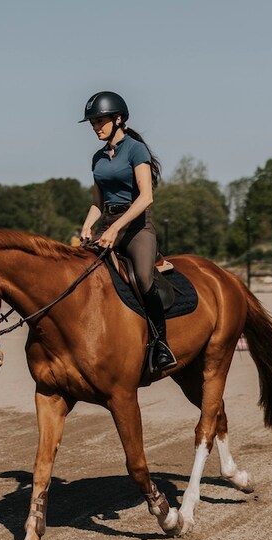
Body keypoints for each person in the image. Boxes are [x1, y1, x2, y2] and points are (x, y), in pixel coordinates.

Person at [78, 91, 177, 373]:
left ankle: (161, 344)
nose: (96, 127)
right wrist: (88, 224)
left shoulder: (136, 150)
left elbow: (146, 197)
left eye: (100, 121)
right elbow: (98, 203)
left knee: (144, 278)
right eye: (93, 123)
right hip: (109, 224)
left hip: (136, 227)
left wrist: (116, 227)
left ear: (118, 119)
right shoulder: (97, 158)